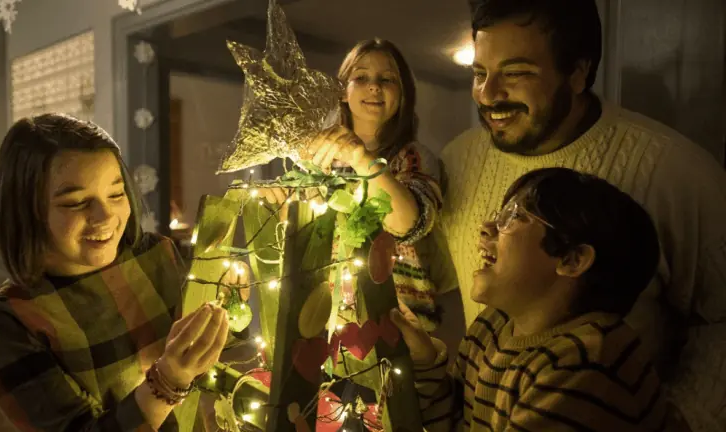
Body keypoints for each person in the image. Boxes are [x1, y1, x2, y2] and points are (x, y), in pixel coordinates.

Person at [433, 1, 726, 429]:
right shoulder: (457, 160)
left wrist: (681, 418)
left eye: (516, 73)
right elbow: (437, 276)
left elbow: (720, 319)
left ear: (578, 72)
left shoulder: (676, 172)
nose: (488, 95)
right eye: (480, 74)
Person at [0, 114, 238, 431]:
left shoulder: (156, 255)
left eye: (116, 194)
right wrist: (167, 381)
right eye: (76, 202)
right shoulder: (3, 322)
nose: (106, 216)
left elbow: (211, 349)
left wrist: (233, 302)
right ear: (27, 210)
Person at [393, 168, 673, 431]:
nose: (486, 228)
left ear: (572, 260)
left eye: (514, 217)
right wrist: (426, 359)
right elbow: (457, 423)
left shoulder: (584, 366)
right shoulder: (494, 323)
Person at [261, 38, 444, 330]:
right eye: (361, 78)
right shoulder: (320, 161)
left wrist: (360, 157)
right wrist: (276, 206)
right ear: (343, 91)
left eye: (387, 79)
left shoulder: (412, 158)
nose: (374, 87)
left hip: (401, 324)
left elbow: (410, 224)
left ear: (403, 94)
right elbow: (301, 237)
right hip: (326, 321)